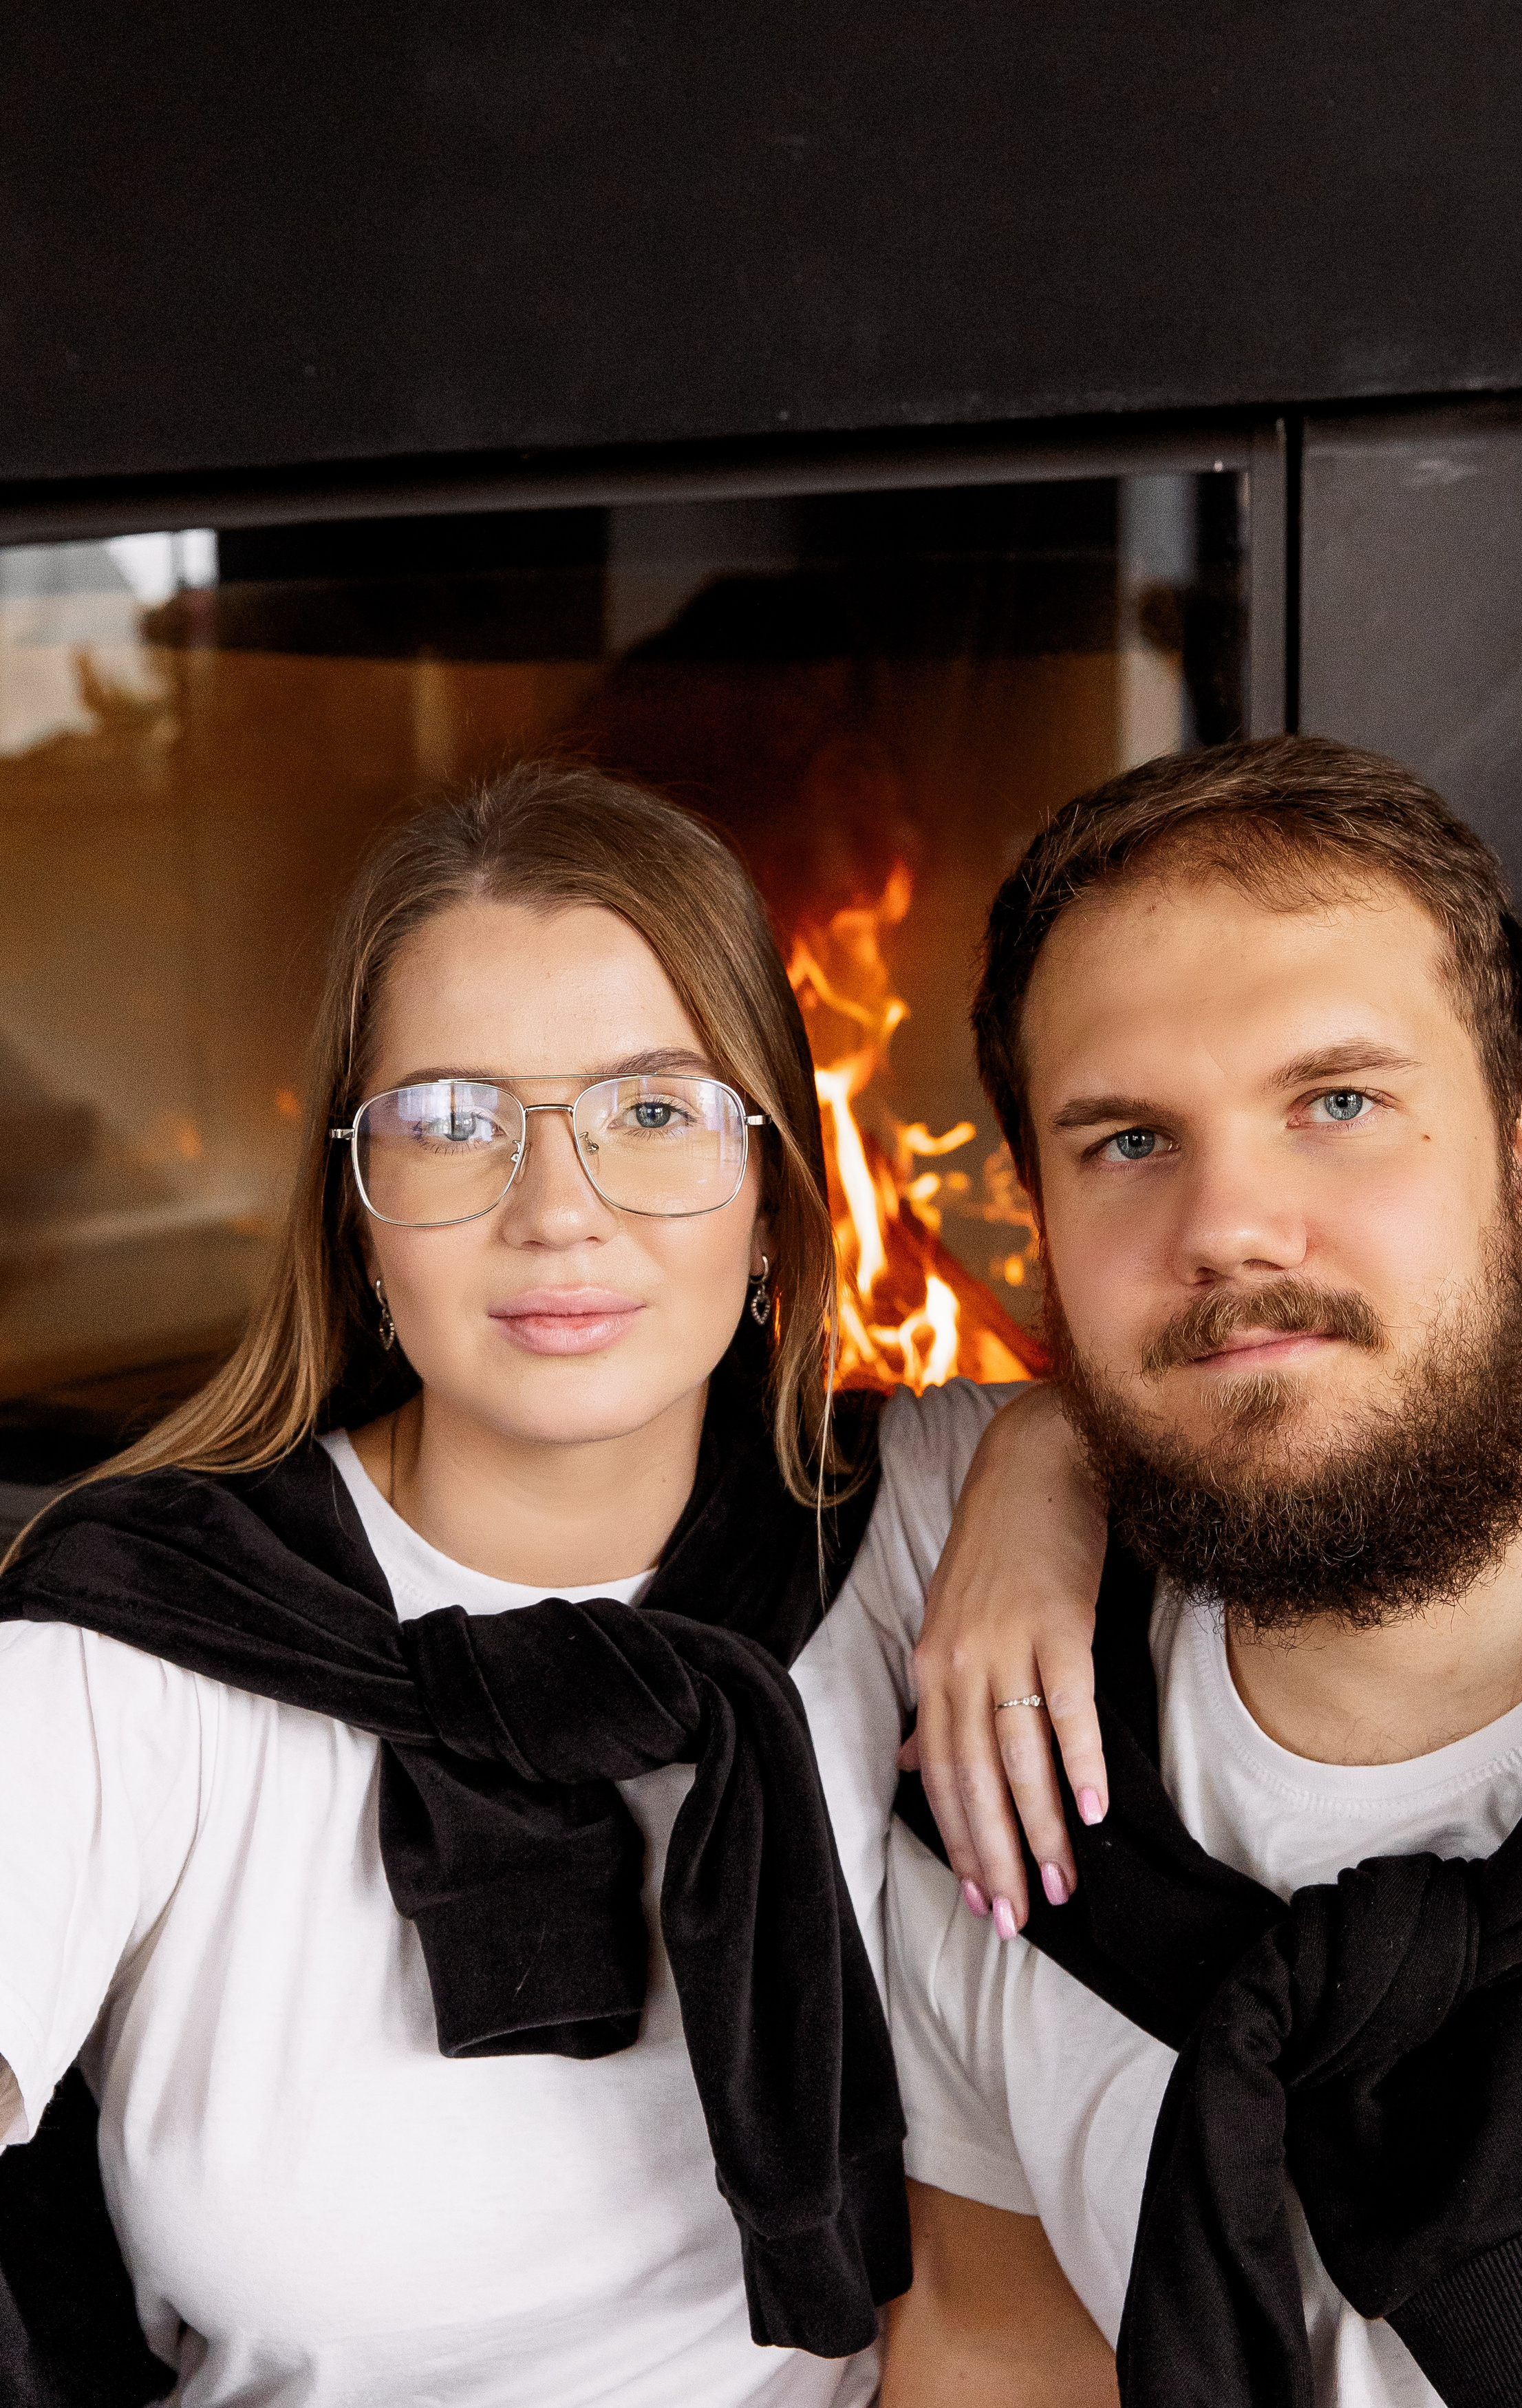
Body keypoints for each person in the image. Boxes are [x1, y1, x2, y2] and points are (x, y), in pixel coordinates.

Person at [0, 762, 1073, 2408]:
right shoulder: (138, 1639)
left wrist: (1047, 1469)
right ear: (359, 1211)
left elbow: (1483, 1390)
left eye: (654, 1110)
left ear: (781, 1197)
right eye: (450, 1121)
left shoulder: (921, 1517)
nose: (557, 1211)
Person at [862, 735, 1522, 2408]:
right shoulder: (1016, 1788)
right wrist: (1036, 1443)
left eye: (1337, 1103)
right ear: (1035, 1230)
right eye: (1127, 1142)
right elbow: (997, 2349)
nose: (1231, 1225)